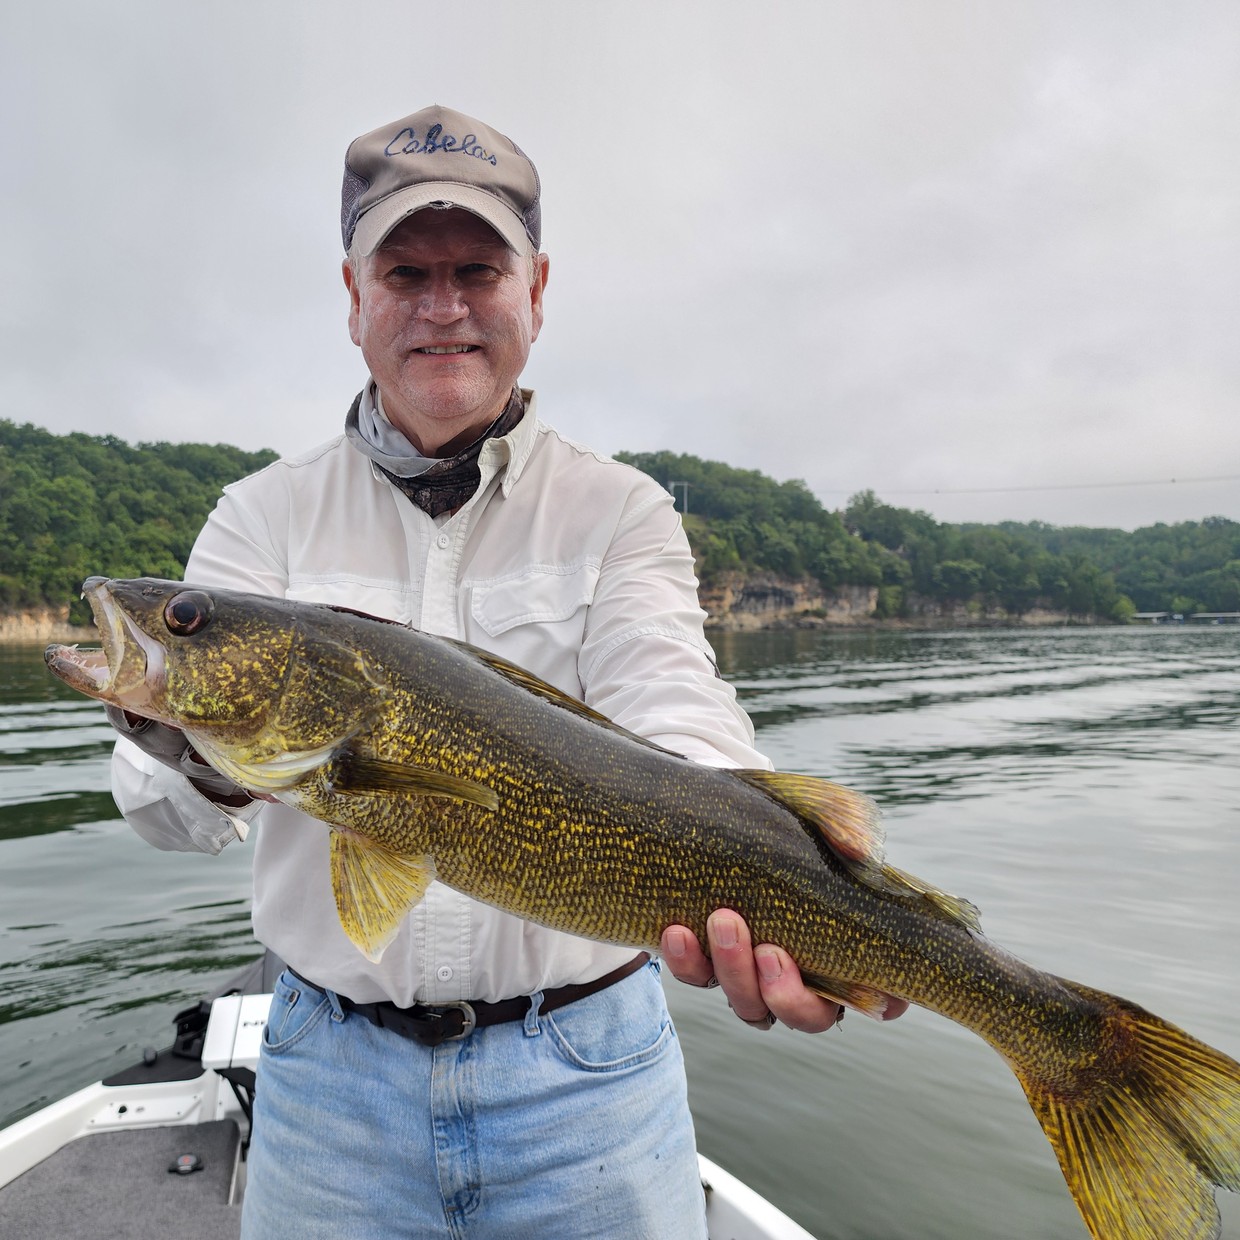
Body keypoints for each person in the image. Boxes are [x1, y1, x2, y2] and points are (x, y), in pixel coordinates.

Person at [108, 104, 906, 1238]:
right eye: (406, 271)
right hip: (328, 1079)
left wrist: (784, 874)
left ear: (535, 291)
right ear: (353, 297)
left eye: (477, 268)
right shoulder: (259, 519)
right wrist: (202, 748)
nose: (443, 305)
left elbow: (675, 702)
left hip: (589, 1077)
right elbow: (160, 816)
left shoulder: (620, 508)